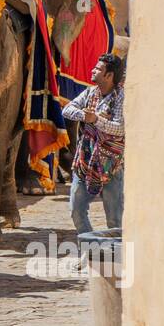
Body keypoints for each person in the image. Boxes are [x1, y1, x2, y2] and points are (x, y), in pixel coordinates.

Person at [62, 54, 126, 234]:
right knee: (76, 211)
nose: (93, 70)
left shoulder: (121, 97)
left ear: (109, 75)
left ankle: (115, 256)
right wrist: (84, 116)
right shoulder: (90, 92)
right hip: (85, 161)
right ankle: (91, 250)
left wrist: (95, 119)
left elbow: (120, 129)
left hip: (111, 166)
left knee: (114, 219)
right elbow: (67, 109)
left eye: (98, 69)